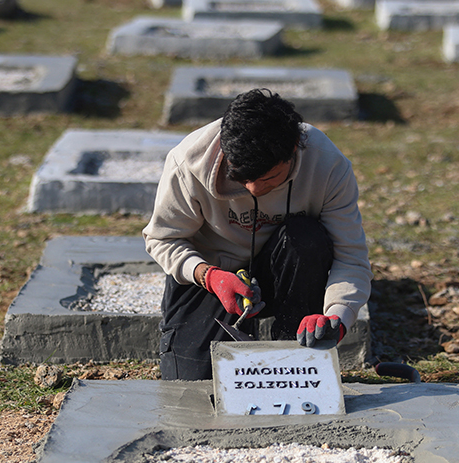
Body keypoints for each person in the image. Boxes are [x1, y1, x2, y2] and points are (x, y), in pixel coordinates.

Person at [142, 88, 372, 381]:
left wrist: (337, 318)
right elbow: (163, 239)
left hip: (288, 269)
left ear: (291, 153)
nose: (252, 189)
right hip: (214, 277)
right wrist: (207, 275)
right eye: (240, 177)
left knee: (306, 237)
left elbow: (351, 258)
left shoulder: (327, 165)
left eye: (267, 179)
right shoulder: (187, 162)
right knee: (194, 385)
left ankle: (295, 350)